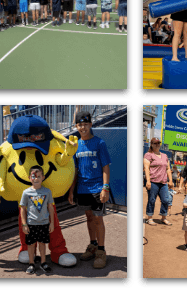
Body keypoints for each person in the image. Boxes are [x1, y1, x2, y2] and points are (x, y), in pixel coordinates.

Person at [69, 110, 112, 269]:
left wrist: (105, 187)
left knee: (98, 219)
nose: (83, 127)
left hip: (97, 188)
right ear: (76, 126)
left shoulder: (99, 143)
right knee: (88, 218)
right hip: (82, 189)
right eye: (80, 125)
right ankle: (93, 245)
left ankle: (101, 251)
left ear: (91, 125)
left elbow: (105, 166)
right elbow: (75, 170)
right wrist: (71, 190)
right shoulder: (75, 146)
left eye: (85, 124)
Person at [20, 165, 54, 274]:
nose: (36, 179)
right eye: (33, 176)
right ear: (29, 178)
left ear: (43, 177)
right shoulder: (26, 193)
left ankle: (43, 262)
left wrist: (52, 223)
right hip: (31, 224)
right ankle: (31, 264)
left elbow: (50, 207)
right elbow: (22, 209)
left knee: (42, 244)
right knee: (31, 244)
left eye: (38, 176)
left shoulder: (47, 192)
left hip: (44, 223)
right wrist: (24, 224)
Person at [143, 138, 174, 226]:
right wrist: (148, 181)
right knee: (152, 200)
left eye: (158, 143)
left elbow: (168, 169)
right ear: (151, 144)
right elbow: (146, 169)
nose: (157, 144)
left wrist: (170, 180)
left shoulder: (164, 155)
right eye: (155, 143)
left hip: (163, 182)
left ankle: (163, 218)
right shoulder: (148, 155)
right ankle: (149, 218)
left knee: (166, 200)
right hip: (153, 181)